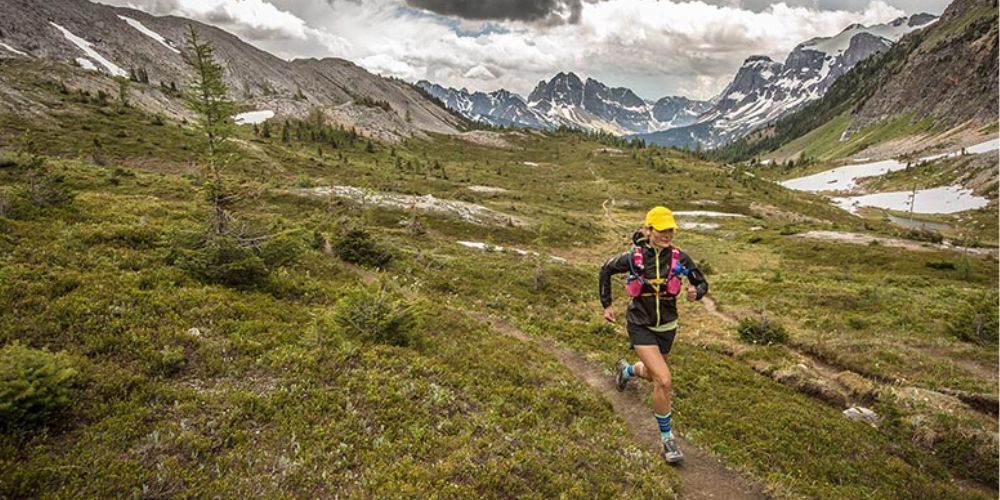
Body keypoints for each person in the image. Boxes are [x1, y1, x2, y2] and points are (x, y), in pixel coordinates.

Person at [598, 206, 709, 463]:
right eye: (661, 230)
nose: (667, 235)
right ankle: (668, 440)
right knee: (665, 381)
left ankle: (626, 372)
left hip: (667, 327)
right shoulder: (633, 257)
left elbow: (701, 281)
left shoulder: (680, 257)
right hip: (640, 324)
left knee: (652, 375)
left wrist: (697, 292)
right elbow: (605, 269)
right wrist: (607, 304)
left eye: (670, 230)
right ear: (648, 230)